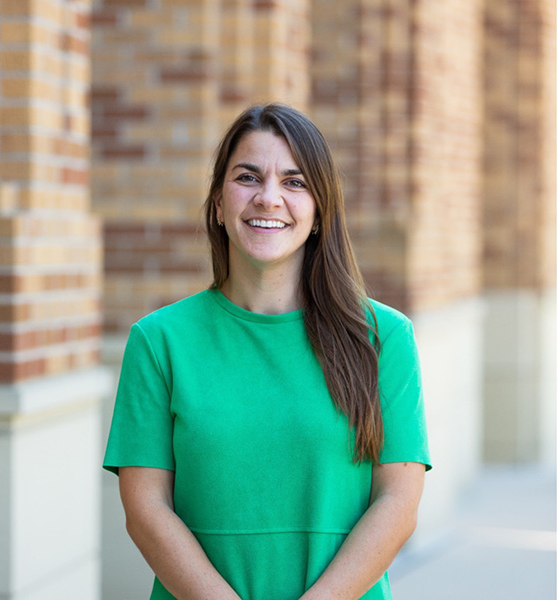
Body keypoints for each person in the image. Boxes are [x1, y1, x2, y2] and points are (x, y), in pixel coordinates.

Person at [103, 103, 431, 600]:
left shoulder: (384, 338)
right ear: (217, 203)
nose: (269, 198)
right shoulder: (159, 340)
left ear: (319, 211)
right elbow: (146, 510)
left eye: (295, 182)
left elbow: (398, 503)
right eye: (248, 177)